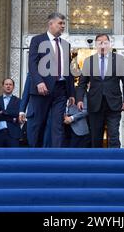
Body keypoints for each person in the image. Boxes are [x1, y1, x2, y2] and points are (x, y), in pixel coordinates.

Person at [27, 12, 75, 148]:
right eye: (60, 23)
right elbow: (32, 64)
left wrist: (71, 93)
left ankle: (57, 158)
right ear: (51, 24)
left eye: (64, 24)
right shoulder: (37, 40)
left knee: (57, 124)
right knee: (38, 124)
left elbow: (68, 70)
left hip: (60, 89)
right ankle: (34, 156)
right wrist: (38, 82)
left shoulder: (65, 44)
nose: (63, 26)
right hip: (42, 89)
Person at [77, 34, 124, 148]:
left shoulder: (119, 60)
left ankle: (115, 163)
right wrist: (80, 99)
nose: (103, 45)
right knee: (95, 138)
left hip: (114, 104)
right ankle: (96, 164)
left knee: (114, 136)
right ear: (96, 45)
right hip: (95, 104)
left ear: (109, 44)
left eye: (105, 43)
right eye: (100, 43)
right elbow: (82, 83)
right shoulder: (88, 61)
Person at [0, 78, 23, 148]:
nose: (8, 86)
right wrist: (12, 118)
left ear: (13, 87)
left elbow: (16, 114)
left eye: (10, 84)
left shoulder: (19, 101)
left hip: (14, 134)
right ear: (2, 86)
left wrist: (2, 112)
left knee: (13, 157)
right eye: (6, 84)